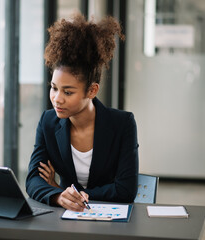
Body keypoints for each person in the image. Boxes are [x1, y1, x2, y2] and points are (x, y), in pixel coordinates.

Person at [25, 12, 139, 212]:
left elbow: (125, 189)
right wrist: (59, 196)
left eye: (68, 92)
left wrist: (67, 191)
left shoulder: (122, 124)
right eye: (54, 88)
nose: (57, 98)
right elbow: (33, 179)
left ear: (91, 90)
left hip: (111, 221)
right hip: (65, 219)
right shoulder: (48, 122)